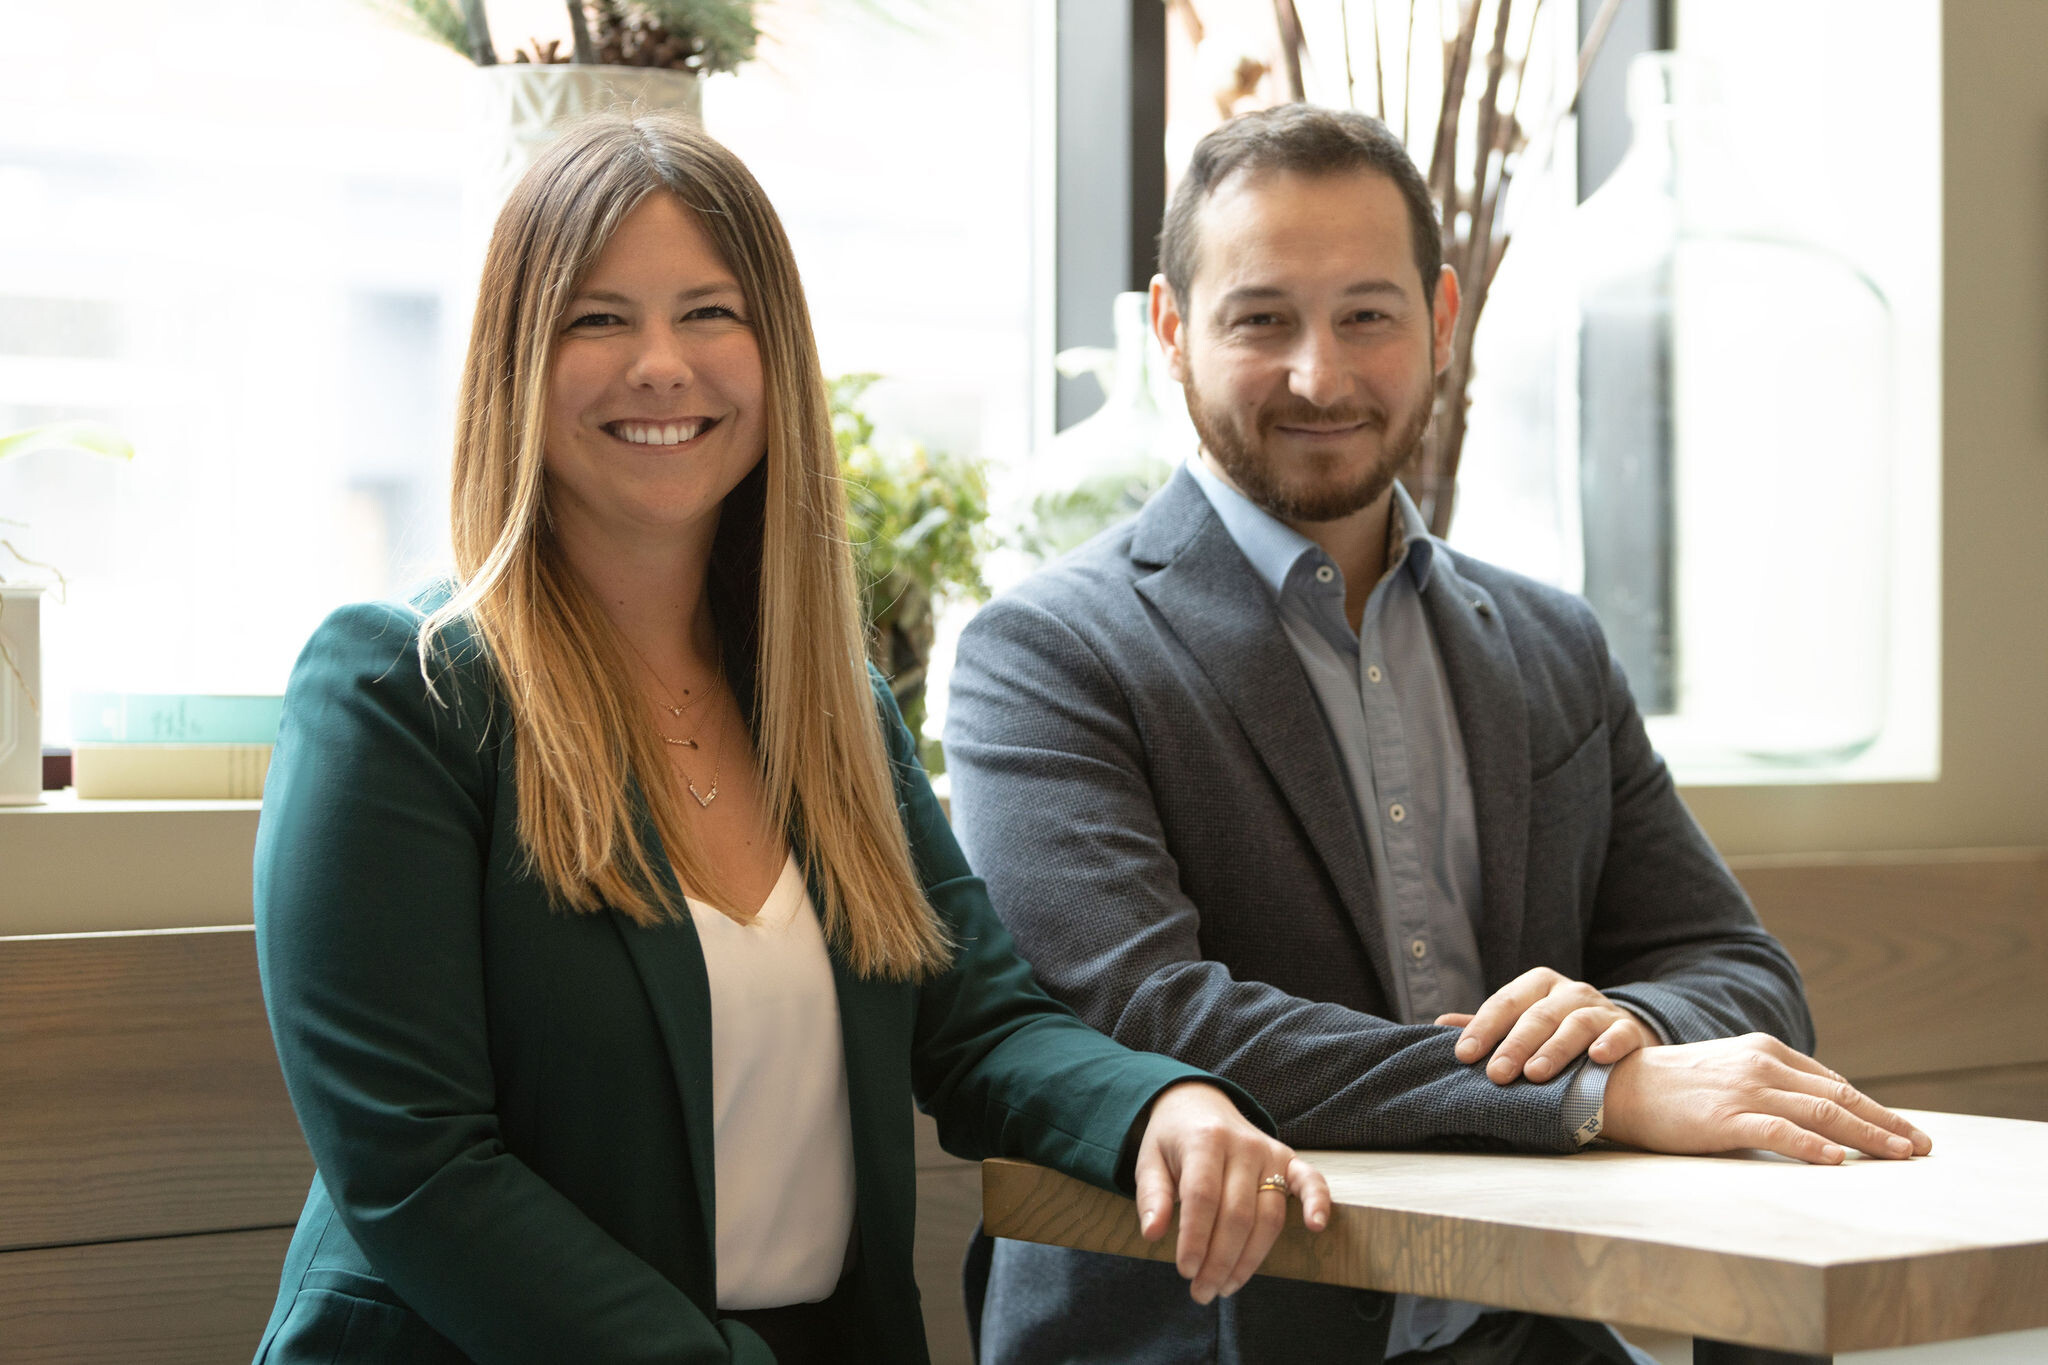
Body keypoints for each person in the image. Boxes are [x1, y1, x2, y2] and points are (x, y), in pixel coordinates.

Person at [248, 112, 1329, 1365]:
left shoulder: (830, 709)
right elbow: (416, 1169)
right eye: (598, 319)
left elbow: (976, 1026)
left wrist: (1161, 1107)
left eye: (709, 314)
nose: (662, 364)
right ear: (513, 360)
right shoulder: (400, 690)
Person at [944, 103, 1932, 1365]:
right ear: (1169, 328)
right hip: (1204, 1339)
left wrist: (1616, 1026)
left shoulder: (1548, 643)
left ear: (1443, 320)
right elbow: (1152, 1020)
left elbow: (1738, 975)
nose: (1320, 374)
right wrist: (1590, 1095)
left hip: (1527, 1336)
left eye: (1367, 314)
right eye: (1260, 318)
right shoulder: (1045, 652)